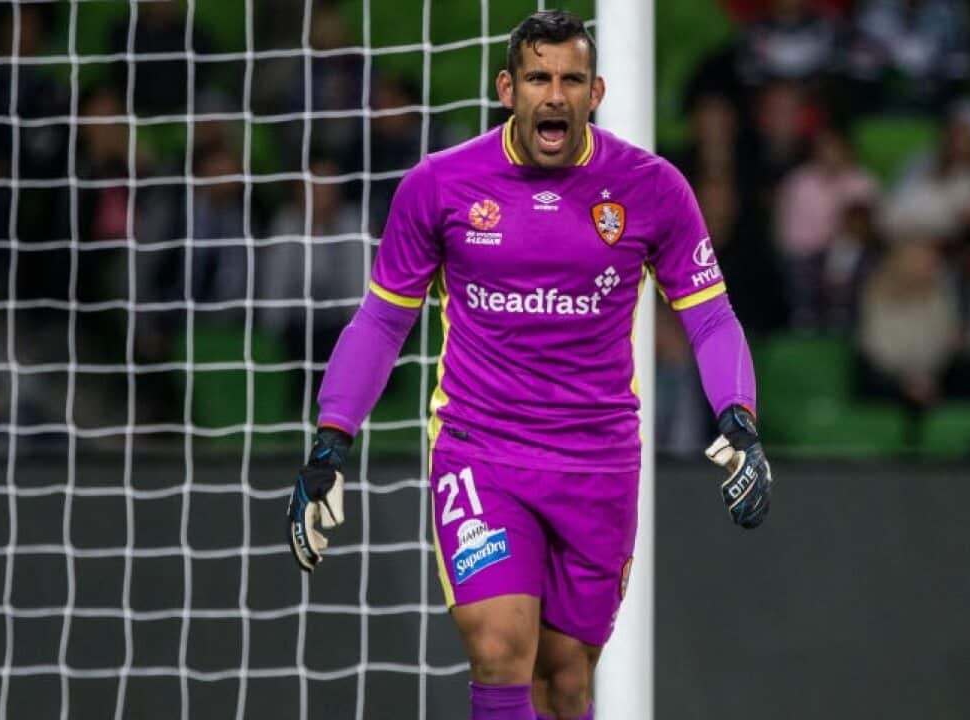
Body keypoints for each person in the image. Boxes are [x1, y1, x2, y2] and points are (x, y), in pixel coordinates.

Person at [284, 12, 773, 720]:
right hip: (482, 450)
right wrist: (331, 439)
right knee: (498, 649)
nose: (555, 95)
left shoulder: (652, 188)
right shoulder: (440, 185)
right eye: (539, 78)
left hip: (598, 460)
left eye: (571, 80)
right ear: (507, 89)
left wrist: (739, 417)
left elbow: (711, 317)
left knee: (565, 683)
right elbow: (384, 320)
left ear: (595, 92)